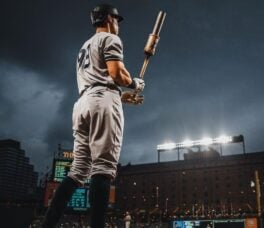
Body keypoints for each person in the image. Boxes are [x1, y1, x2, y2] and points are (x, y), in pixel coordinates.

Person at [42, 3, 145, 228]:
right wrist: (134, 83)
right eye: (116, 19)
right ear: (108, 18)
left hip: (82, 105)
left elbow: (103, 79)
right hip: (102, 101)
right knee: (104, 167)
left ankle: (47, 224)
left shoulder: (84, 46)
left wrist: (123, 95)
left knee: (78, 170)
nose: (118, 24)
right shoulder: (110, 38)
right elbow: (116, 73)